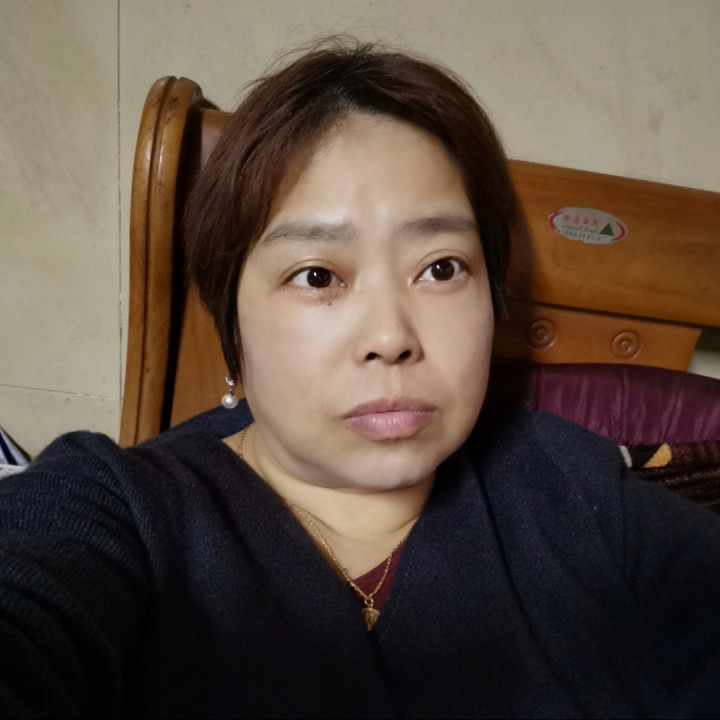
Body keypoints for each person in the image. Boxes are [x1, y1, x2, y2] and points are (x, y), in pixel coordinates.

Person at [2, 38, 720, 719]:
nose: (390, 338)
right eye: (317, 275)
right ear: (233, 320)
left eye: (441, 268)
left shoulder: (585, 498)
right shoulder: (117, 512)